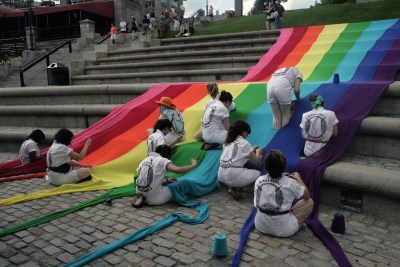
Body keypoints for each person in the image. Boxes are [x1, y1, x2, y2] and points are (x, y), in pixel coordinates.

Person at [254, 149, 314, 237]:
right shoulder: (290, 183)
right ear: (283, 167)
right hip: (284, 230)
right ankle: (295, 223)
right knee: (309, 202)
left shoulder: (259, 180)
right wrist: (298, 178)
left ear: (266, 167)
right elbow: (307, 196)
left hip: (260, 226)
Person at [131, 144, 198, 207]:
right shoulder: (162, 160)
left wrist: (167, 180)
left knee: (167, 182)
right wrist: (193, 165)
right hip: (154, 199)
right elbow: (178, 170)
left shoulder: (145, 160)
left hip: (139, 196)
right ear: (167, 155)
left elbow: (148, 180)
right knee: (183, 183)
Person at [218, 121, 263, 200]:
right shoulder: (245, 143)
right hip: (232, 175)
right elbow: (256, 161)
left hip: (221, 175)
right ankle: (259, 196)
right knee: (260, 174)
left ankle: (234, 188)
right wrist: (258, 151)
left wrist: (251, 149)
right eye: (248, 132)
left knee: (239, 165)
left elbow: (236, 155)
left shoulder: (227, 142)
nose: (247, 135)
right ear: (243, 132)